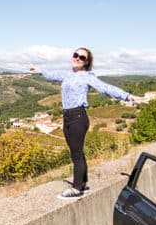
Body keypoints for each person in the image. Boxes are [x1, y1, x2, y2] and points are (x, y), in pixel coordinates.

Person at [30, 48, 144, 199]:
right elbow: (52, 75)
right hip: (67, 117)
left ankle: (76, 188)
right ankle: (83, 183)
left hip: (78, 116)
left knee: (77, 154)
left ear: (87, 62)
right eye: (75, 55)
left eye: (81, 57)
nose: (77, 58)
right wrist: (38, 70)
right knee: (75, 151)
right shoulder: (67, 74)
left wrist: (128, 96)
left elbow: (106, 88)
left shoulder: (88, 77)